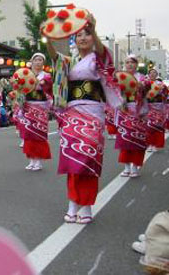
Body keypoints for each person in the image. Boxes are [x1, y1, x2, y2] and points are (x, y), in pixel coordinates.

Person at [47, 14, 121, 224]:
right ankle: (72, 203)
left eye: (86, 34)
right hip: (71, 113)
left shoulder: (99, 58)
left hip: (92, 113)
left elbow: (103, 54)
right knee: (72, 158)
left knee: (88, 158)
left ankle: (86, 205)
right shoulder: (70, 61)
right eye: (78, 35)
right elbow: (54, 58)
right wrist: (49, 38)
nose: (82, 38)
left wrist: (94, 29)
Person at [115, 55, 148, 178]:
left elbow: (146, 95)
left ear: (136, 64)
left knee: (137, 140)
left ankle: (135, 167)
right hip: (125, 110)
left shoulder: (142, 78)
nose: (129, 64)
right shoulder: (120, 77)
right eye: (127, 62)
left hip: (138, 111)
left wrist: (142, 87)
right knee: (124, 140)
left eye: (132, 62)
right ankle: (126, 167)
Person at [21, 53, 53, 171]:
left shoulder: (47, 76)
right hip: (28, 107)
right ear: (32, 61)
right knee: (28, 134)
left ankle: (38, 160)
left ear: (43, 63)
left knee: (39, 134)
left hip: (41, 108)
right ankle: (31, 160)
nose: (38, 62)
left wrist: (36, 83)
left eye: (40, 60)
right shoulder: (25, 74)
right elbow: (20, 88)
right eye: (36, 60)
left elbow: (44, 86)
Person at [146, 69, 167, 152]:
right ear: (148, 74)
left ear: (157, 75)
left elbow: (165, 94)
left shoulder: (160, 84)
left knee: (157, 127)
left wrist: (162, 90)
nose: (152, 74)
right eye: (151, 73)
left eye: (154, 73)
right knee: (148, 126)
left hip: (159, 107)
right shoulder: (145, 83)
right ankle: (149, 144)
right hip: (148, 107)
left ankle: (155, 144)